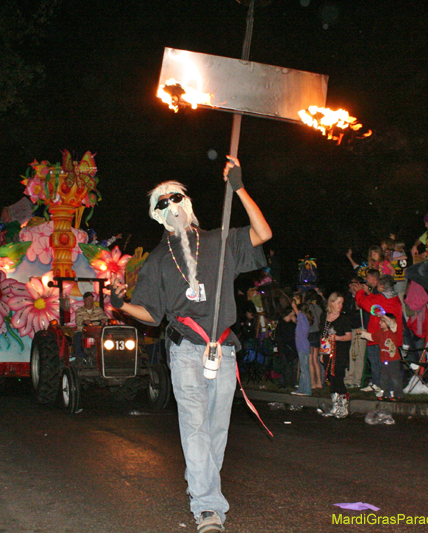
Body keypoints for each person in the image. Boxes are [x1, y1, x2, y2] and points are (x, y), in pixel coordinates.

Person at [109, 156, 271, 533]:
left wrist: (239, 188)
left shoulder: (220, 240)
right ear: (156, 215)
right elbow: (152, 313)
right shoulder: (156, 261)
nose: (171, 206)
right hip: (184, 351)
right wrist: (121, 305)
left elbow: (262, 233)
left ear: (188, 202)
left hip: (223, 348)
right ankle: (208, 508)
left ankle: (202, 487)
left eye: (176, 197)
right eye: (162, 203)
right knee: (195, 428)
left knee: (216, 431)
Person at [355, 273, 403, 396]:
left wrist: (360, 292)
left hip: (378, 336)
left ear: (381, 286)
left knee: (378, 364)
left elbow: (364, 303)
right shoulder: (395, 298)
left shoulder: (380, 299)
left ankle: (380, 386)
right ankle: (389, 389)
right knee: (390, 366)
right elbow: (375, 301)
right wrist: (370, 294)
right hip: (391, 339)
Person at [318, 291, 353, 417]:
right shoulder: (324, 316)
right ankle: (335, 404)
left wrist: (337, 338)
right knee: (331, 378)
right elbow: (323, 335)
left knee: (338, 376)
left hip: (340, 352)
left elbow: (349, 336)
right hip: (328, 352)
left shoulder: (343, 318)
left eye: (342, 303)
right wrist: (322, 352)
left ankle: (343, 405)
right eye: (338, 302)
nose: (340, 305)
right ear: (331, 303)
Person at [358, 313, 403, 400]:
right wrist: (363, 333)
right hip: (383, 360)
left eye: (382, 321)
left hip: (393, 360)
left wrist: (384, 316)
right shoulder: (380, 333)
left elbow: (392, 324)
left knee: (395, 377)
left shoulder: (393, 331)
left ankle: (398, 394)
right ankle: (386, 393)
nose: (380, 323)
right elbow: (371, 337)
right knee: (384, 378)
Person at [73, 292, 108, 358]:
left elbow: (104, 317)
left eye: (92, 299)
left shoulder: (99, 309)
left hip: (96, 332)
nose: (91, 300)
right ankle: (81, 357)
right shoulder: (79, 311)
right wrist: (84, 322)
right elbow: (78, 321)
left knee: (106, 337)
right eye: (89, 299)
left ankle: (104, 355)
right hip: (84, 332)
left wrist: (103, 320)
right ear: (84, 300)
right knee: (77, 337)